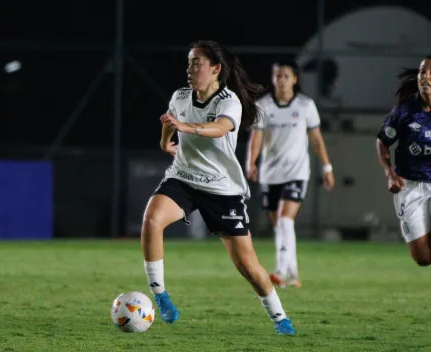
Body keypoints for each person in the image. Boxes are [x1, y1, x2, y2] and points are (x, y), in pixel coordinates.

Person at [141, 40, 296, 335]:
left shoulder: (229, 101)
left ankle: (280, 318)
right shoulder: (181, 96)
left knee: (247, 265)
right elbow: (169, 119)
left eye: (197, 62)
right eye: (189, 62)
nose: (190, 68)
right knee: (151, 219)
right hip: (184, 177)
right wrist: (165, 141)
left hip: (222, 188)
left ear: (216, 69)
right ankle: (160, 296)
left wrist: (188, 128)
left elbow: (221, 128)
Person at [245, 61, 335, 288]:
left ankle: (282, 270)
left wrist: (327, 167)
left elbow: (316, 138)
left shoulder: (305, 105)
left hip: (296, 172)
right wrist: (251, 163)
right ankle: (292, 273)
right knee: (281, 226)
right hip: (270, 174)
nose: (281, 80)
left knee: (285, 219)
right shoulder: (263, 105)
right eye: (277, 76)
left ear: (295, 79)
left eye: (285, 76)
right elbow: (256, 137)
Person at [376, 55, 431, 266]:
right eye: (422, 72)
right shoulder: (405, 110)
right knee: (423, 258)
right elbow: (383, 142)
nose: (425, 77)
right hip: (410, 186)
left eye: (430, 73)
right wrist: (390, 173)